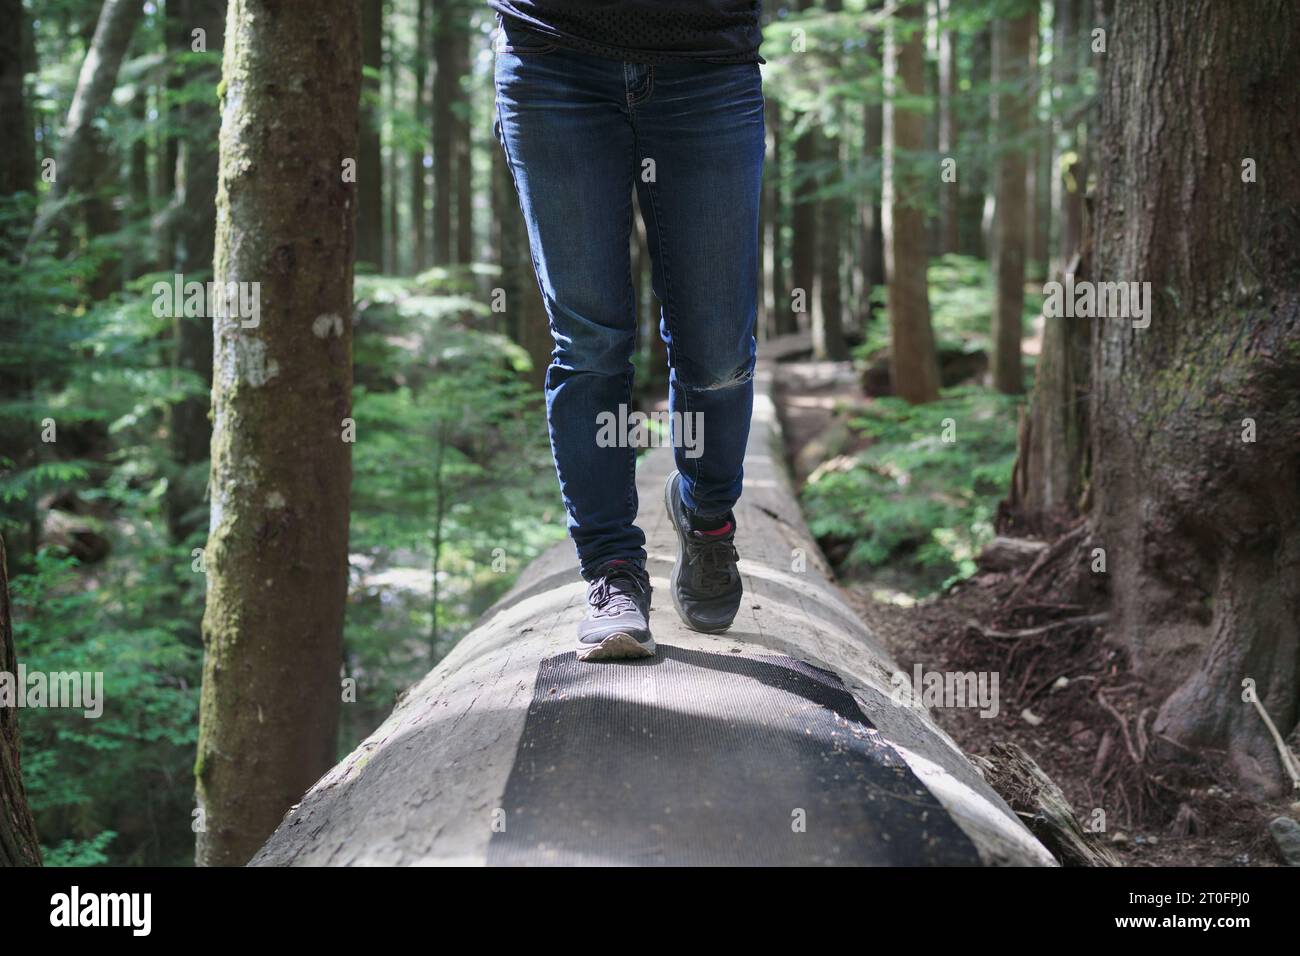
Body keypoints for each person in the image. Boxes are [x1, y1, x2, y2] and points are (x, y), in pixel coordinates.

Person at [490, 1, 765, 661]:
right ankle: (612, 572)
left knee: (718, 349)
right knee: (588, 341)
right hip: (553, 58)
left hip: (707, 62)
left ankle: (707, 519)